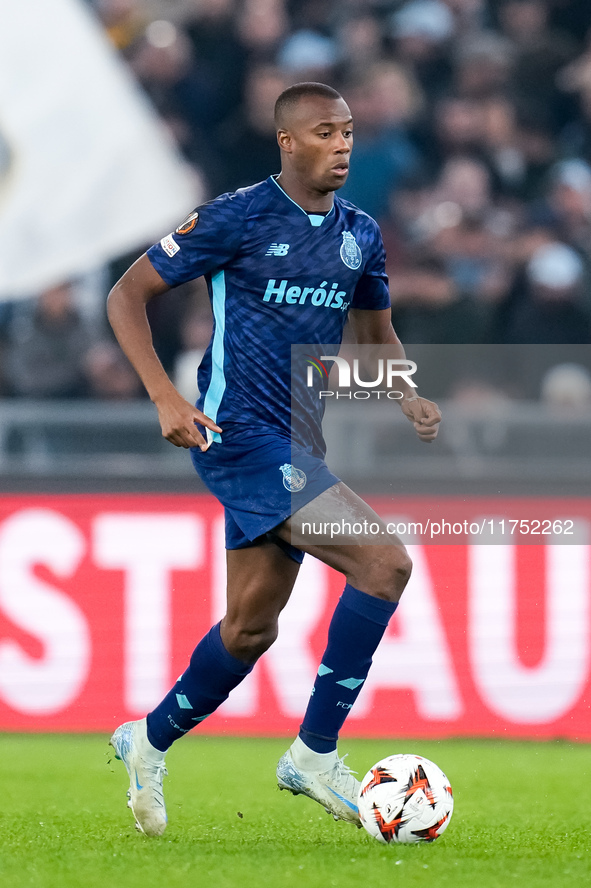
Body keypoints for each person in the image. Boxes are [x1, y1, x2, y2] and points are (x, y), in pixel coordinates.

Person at [107, 82, 441, 838]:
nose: (343, 145)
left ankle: (146, 739)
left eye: (349, 131)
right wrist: (163, 396)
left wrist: (405, 394)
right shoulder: (237, 216)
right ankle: (315, 754)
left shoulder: (360, 232)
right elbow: (127, 295)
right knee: (384, 563)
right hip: (237, 435)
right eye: (326, 132)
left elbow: (375, 337)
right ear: (287, 141)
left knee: (249, 630)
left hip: (300, 441)